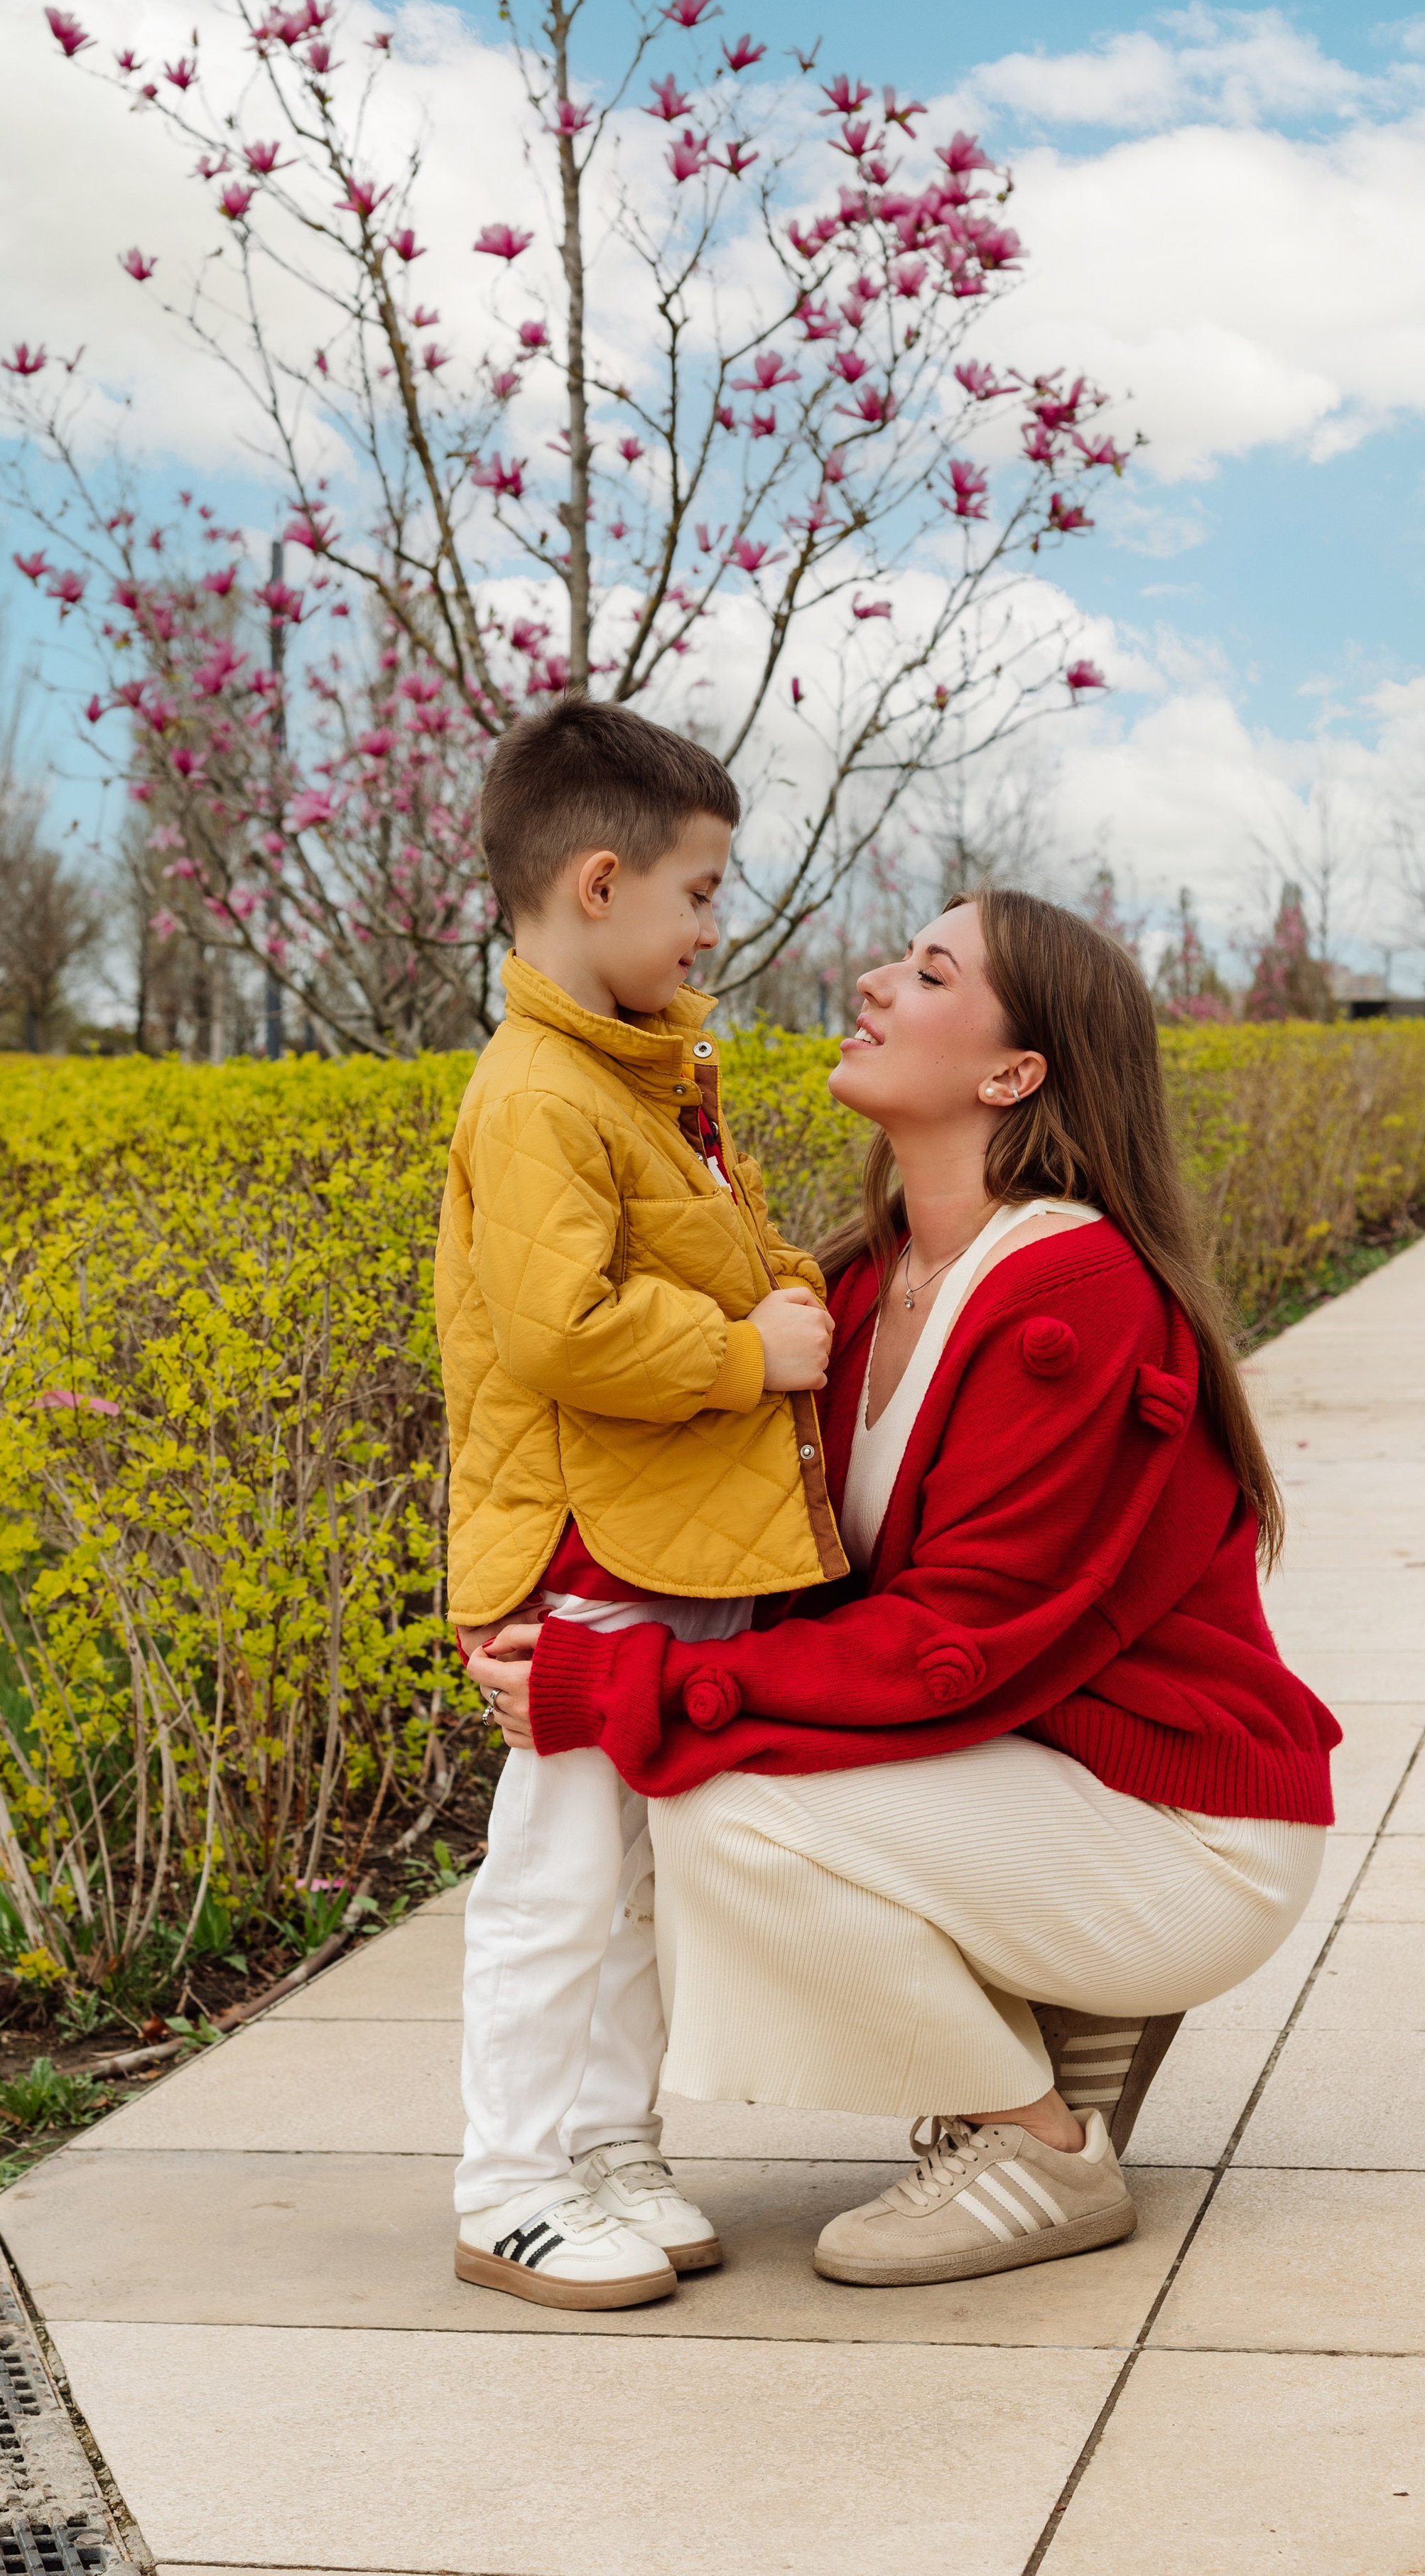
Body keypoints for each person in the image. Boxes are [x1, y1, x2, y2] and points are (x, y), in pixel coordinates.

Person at [473, 888, 1341, 2291]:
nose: (874, 982)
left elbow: (954, 1642)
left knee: (722, 1807)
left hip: (1181, 1827)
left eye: (931, 972)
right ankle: (1063, 2016)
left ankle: (1033, 2140)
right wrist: (548, 1605)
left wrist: (628, 1686)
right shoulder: (863, 1286)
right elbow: (731, 1525)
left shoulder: (1074, 1296)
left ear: (1013, 1074)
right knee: (713, 1763)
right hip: (1035, 1786)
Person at [438, 698, 845, 2310]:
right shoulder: (540, 1091)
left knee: (634, 1883)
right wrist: (748, 1355)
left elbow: (704, 1252)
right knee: (556, 1881)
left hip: (651, 1536)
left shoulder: (636, 1074)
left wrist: (780, 1295)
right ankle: (511, 2184)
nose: (712, 928)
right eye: (699, 892)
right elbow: (562, 1330)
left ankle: (607, 2144)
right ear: (597, 883)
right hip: (583, 1547)